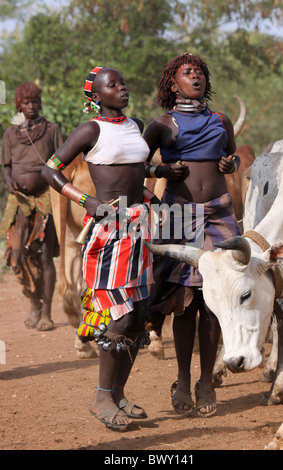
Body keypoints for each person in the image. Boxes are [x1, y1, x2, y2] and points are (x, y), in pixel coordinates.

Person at [42, 66, 155, 431]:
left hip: (139, 225)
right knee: (119, 315)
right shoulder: (91, 130)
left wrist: (152, 195)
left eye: (123, 82)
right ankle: (101, 397)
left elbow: (137, 174)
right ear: (96, 95)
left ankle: (119, 393)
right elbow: (51, 168)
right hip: (108, 229)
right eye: (113, 84)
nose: (122, 88)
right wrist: (85, 199)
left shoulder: (134, 124)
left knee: (138, 317)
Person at [144, 52, 241, 417]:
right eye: (187, 72)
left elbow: (232, 157)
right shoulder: (162, 124)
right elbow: (138, 163)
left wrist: (231, 163)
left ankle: (205, 381)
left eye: (200, 71)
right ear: (174, 83)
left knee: (214, 302)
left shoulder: (221, 120)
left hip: (219, 214)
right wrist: (162, 169)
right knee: (184, 302)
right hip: (179, 218)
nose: (195, 76)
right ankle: (183, 379)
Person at [0, 82, 63, 331]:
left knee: (45, 255)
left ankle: (46, 314)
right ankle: (34, 304)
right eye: (26, 103)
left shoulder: (51, 130)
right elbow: (6, 167)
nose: (31, 107)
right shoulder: (10, 134)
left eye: (35, 102)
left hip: (45, 199)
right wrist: (8, 182)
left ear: (40, 103)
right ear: (18, 105)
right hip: (18, 201)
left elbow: (61, 160)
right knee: (18, 254)